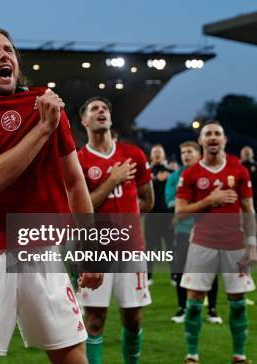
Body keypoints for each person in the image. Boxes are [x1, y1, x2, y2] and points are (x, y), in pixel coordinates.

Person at [0, 27, 102, 363]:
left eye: (9, 50)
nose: (4, 55)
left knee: (72, 355)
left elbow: (74, 182)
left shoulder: (44, 103)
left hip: (42, 248)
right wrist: (43, 128)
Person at [76, 96, 154, 364]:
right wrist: (112, 181)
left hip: (131, 249)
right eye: (94, 109)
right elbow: (79, 209)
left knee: (133, 318)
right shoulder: (78, 160)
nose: (101, 112)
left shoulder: (134, 155)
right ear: (84, 120)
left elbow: (148, 199)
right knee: (95, 319)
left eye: (105, 108)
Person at [176, 121, 256, 364]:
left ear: (224, 140)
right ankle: (192, 355)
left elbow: (248, 209)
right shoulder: (190, 173)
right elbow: (180, 213)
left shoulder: (239, 170)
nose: (212, 138)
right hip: (202, 243)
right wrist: (211, 199)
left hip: (236, 245)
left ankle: (239, 356)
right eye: (207, 134)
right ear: (200, 141)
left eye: (217, 134)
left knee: (239, 303)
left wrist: (252, 243)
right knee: (193, 303)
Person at [164, 141, 220, 324]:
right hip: (183, 231)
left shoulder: (208, 174)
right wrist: (203, 203)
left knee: (210, 271)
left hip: (207, 231)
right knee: (181, 270)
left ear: (198, 154)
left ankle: (212, 309)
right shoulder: (174, 177)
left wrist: (191, 205)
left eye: (189, 152)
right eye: (183, 152)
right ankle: (182, 308)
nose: (185, 155)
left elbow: (216, 202)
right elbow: (172, 203)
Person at [144, 144, 174, 283]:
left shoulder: (172, 172)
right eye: (154, 152)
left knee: (171, 247)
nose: (156, 154)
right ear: (151, 156)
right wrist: (156, 180)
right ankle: (148, 276)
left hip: (168, 216)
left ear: (164, 155)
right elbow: (142, 190)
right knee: (149, 248)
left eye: (159, 152)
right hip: (151, 216)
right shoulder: (146, 172)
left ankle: (174, 276)